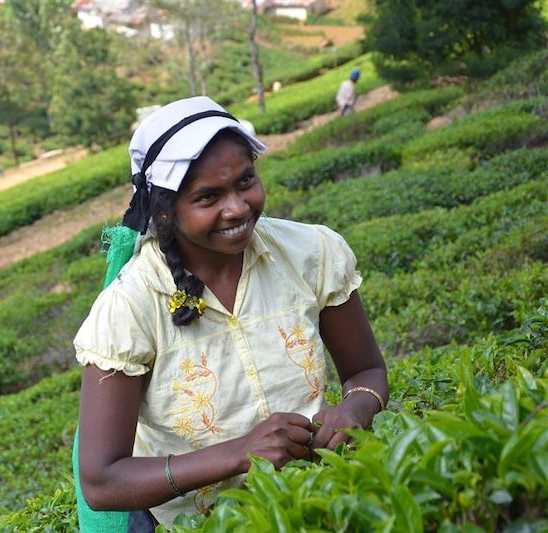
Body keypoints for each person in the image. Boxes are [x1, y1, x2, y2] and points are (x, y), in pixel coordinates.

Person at [73, 96, 387, 530]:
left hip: (319, 499)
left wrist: (355, 410)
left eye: (245, 181)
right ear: (165, 209)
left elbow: (366, 369)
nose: (237, 207)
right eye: (208, 197)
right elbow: (101, 481)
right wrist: (240, 453)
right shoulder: (129, 307)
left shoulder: (312, 253)